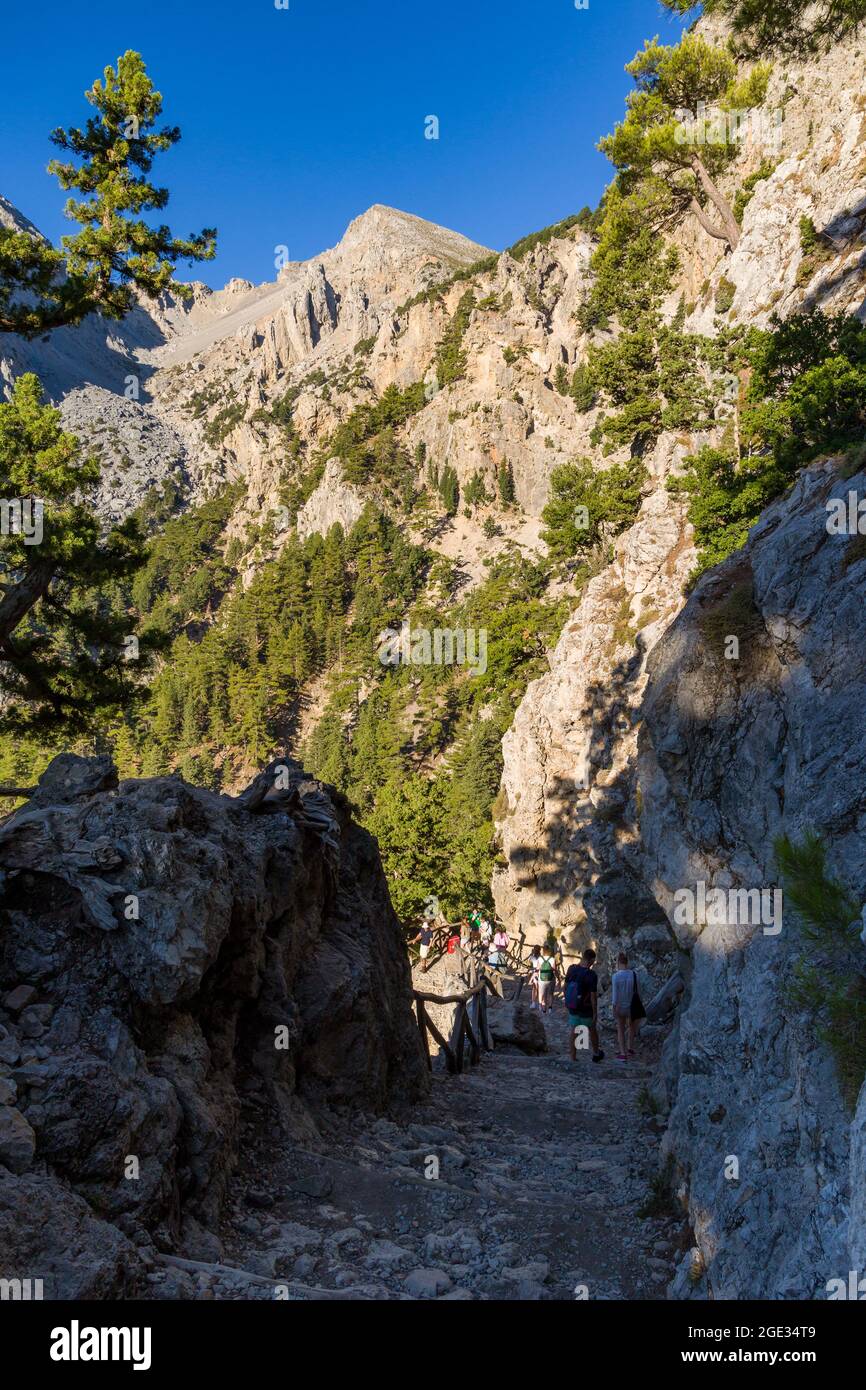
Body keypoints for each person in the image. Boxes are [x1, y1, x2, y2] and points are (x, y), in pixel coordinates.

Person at [564, 948, 604, 1063]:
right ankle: (596, 1053)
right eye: (593, 961)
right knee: (592, 1029)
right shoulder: (591, 975)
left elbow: (565, 987)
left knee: (574, 1030)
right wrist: (595, 1013)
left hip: (573, 1006)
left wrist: (567, 1002)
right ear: (591, 960)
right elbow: (593, 996)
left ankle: (573, 1057)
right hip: (586, 1008)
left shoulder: (571, 969)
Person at [611, 952, 643, 1060]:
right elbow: (638, 992)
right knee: (631, 1027)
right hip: (632, 1006)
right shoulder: (634, 974)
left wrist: (614, 1008)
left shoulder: (615, 976)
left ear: (619, 963)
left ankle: (623, 1053)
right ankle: (630, 1048)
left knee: (620, 1029)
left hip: (620, 1007)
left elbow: (615, 995)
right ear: (627, 962)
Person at [537, 946, 557, 1014]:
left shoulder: (540, 958)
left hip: (542, 979)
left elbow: (537, 968)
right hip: (551, 978)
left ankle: (542, 1009)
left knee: (542, 994)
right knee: (550, 994)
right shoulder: (552, 959)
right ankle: (550, 1008)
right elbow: (554, 970)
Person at [527, 944, 542, 1009]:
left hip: (536, 972)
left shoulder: (532, 957)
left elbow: (529, 965)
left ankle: (535, 1003)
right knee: (538, 988)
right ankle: (538, 1004)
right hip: (539, 973)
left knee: (535, 988)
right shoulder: (541, 957)